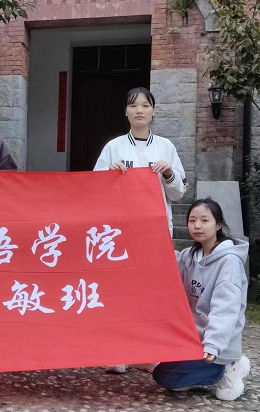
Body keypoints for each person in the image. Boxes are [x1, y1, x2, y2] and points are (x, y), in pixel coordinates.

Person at [94, 87, 187, 374]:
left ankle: (148, 353)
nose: (139, 110)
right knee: (119, 290)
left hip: (155, 232)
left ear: (153, 111)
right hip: (121, 232)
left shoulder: (166, 147)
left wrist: (169, 173)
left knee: (151, 293)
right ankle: (119, 352)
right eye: (133, 105)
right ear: (126, 111)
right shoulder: (114, 147)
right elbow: (93, 189)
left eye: (145, 105)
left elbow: (179, 193)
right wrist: (109, 175)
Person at [153, 198, 250, 401]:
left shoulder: (229, 262)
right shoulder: (189, 256)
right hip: (193, 340)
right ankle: (196, 372)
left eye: (205, 220)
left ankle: (230, 367)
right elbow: (165, 262)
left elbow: (226, 308)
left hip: (218, 347)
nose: (197, 226)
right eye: (192, 220)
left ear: (218, 225)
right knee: (164, 374)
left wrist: (213, 345)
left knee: (166, 376)